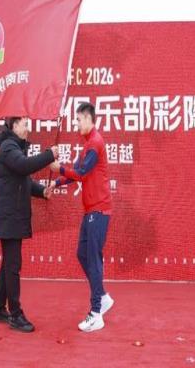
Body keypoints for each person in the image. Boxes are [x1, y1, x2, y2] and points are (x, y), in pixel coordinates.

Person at [49, 102, 114, 332]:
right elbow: (75, 173)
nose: (76, 124)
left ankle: (96, 313)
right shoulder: (87, 145)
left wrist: (59, 169)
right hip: (90, 211)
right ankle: (102, 297)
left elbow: (83, 172)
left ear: (88, 119)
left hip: (99, 210)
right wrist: (56, 182)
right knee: (82, 254)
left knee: (93, 258)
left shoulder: (95, 143)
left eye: (78, 120)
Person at [0, 116, 58, 332]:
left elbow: (24, 180)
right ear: (14, 126)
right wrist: (50, 155)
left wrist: (42, 191)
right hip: (10, 216)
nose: (28, 129)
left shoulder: (14, 147)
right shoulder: (9, 147)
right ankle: (15, 314)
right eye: (25, 125)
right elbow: (24, 167)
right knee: (13, 265)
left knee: (8, 264)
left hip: (13, 215)